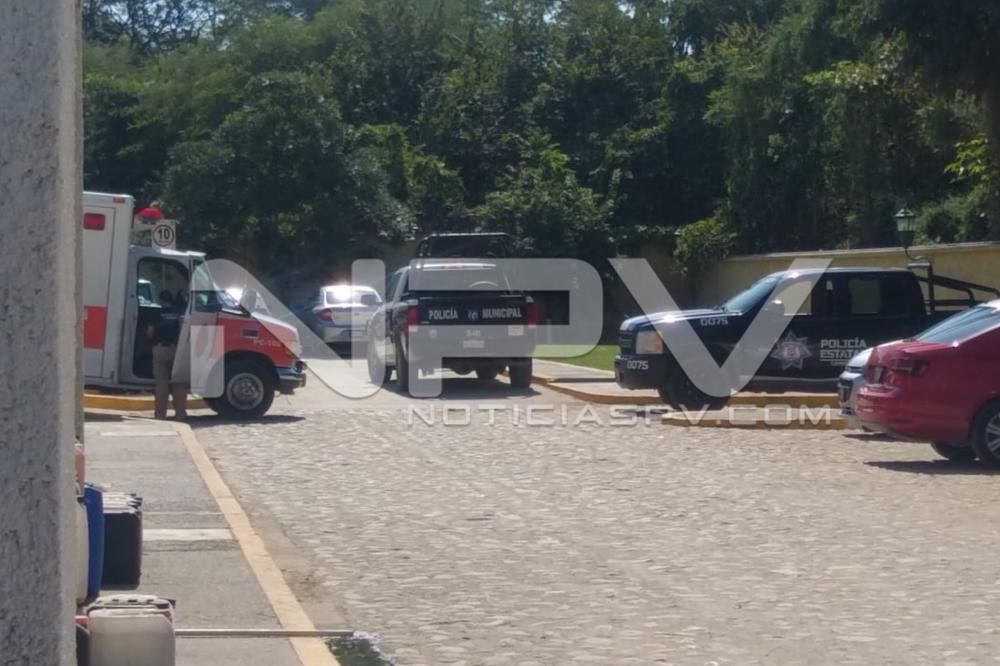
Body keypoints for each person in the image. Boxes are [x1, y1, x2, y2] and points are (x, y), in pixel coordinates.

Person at [149, 290, 188, 420]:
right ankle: (180, 414)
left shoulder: (156, 313)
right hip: (178, 350)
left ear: (160, 300)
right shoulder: (180, 313)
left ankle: (160, 414)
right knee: (179, 383)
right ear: (171, 300)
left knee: (161, 382)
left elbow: (150, 332)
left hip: (161, 349)